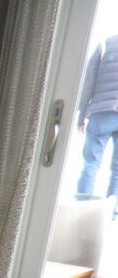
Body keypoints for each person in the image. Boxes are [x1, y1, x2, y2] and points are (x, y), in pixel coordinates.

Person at [77, 34, 118, 198]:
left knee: (91, 164)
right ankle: (113, 210)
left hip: (101, 112)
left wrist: (81, 116)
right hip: (104, 112)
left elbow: (88, 83)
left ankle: (82, 204)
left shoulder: (104, 45)